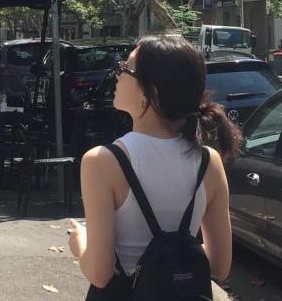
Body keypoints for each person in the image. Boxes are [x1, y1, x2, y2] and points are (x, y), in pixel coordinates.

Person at [67, 35, 242, 300]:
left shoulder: (102, 161)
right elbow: (219, 266)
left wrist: (80, 241)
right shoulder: (209, 160)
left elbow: (100, 273)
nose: (117, 75)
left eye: (125, 69)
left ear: (150, 93)